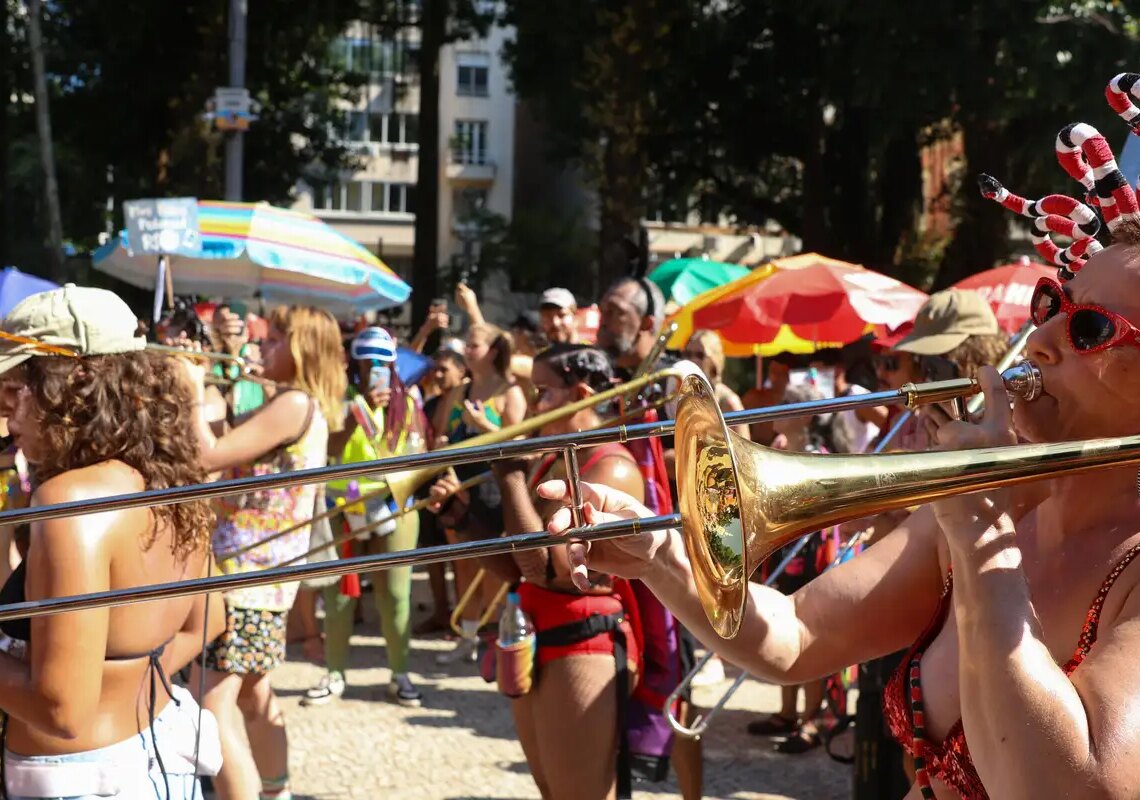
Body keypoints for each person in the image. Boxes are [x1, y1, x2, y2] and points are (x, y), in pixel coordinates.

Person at [543, 213, 1140, 798]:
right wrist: (661, 554)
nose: (1040, 340)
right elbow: (795, 635)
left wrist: (982, 532)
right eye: (1051, 305)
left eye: (1088, 328)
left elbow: (1074, 786)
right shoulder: (981, 513)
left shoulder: (1050, 540)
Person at [0, 285, 223, 799]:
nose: (6, 417)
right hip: (154, 756)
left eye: (15, 390)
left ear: (70, 384)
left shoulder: (71, 502)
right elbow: (206, 620)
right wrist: (122, 682)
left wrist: (92, 685)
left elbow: (63, 712)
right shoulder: (171, 475)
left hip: (77, 779)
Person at [463, 345, 646, 800]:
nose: (533, 404)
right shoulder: (553, 456)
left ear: (580, 394)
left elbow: (558, 571)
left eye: (542, 392)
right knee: (551, 788)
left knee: (578, 792)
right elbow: (514, 567)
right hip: (537, 630)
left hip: (582, 639)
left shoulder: (612, 467)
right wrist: (458, 517)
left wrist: (509, 475)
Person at [184, 305, 346, 800]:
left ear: (300, 350)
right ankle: (276, 792)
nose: (262, 347)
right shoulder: (295, 401)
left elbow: (207, 454)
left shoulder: (294, 403)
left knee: (209, 702)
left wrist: (191, 390)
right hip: (263, 575)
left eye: (274, 339)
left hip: (244, 575)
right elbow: (227, 436)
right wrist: (216, 382)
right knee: (254, 696)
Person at [303, 327, 429, 707]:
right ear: (355, 364)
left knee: (394, 595)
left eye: (382, 363)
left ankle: (400, 673)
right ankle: (335, 672)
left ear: (392, 365)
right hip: (343, 507)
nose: (375, 369)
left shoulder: (407, 403)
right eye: (367, 362)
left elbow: (421, 453)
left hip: (393, 506)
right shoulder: (339, 401)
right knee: (339, 594)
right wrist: (357, 416)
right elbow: (329, 447)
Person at [430, 322, 527, 664]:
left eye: (474, 346)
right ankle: (467, 636)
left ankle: (489, 637)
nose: (466, 351)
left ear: (494, 351)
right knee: (463, 565)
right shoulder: (462, 390)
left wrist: (485, 426)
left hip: (493, 488)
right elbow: (443, 431)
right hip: (461, 485)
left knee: (493, 567)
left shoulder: (510, 390)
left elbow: (519, 446)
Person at [682, 329, 749, 440]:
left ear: (714, 361)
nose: (692, 360)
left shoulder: (729, 402)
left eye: (700, 355)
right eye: (688, 354)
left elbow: (744, 454)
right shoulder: (681, 395)